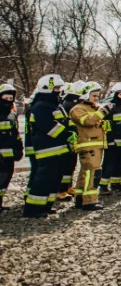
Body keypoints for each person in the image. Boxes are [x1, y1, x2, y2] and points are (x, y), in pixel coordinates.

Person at [24, 74, 69, 218]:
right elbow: (49, 127)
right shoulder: (41, 106)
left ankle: (46, 206)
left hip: (58, 149)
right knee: (44, 179)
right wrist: (68, 134)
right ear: (46, 89)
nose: (59, 91)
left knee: (54, 180)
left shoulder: (53, 105)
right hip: (47, 150)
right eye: (56, 88)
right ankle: (33, 209)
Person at [69, 81, 108, 211]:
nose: (97, 98)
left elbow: (95, 123)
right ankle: (90, 201)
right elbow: (87, 121)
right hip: (88, 145)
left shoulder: (91, 108)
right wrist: (101, 113)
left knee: (85, 173)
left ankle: (80, 198)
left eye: (97, 96)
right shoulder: (78, 109)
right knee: (93, 173)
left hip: (95, 145)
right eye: (94, 96)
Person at [102, 82, 121, 194]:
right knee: (109, 163)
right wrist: (109, 140)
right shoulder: (109, 107)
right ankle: (103, 186)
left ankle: (116, 183)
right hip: (112, 141)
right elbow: (105, 125)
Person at [0, 84, 24, 212]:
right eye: (5, 97)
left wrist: (19, 148)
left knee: (5, 179)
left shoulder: (12, 114)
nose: (8, 101)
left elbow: (15, 133)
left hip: (9, 155)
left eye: (10, 98)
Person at [58, 81, 84, 201]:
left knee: (71, 166)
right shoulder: (70, 105)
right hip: (69, 141)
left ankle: (67, 187)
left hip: (72, 140)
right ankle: (61, 189)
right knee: (66, 166)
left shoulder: (69, 103)